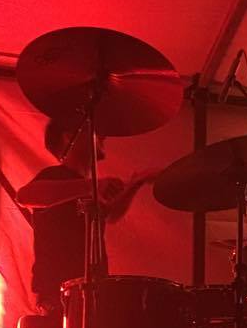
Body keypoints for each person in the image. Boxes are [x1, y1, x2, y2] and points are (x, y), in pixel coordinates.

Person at [16, 118, 150, 314]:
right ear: (69, 137)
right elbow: (25, 196)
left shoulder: (82, 186)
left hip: (88, 290)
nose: (102, 136)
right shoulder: (56, 175)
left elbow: (110, 214)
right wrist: (90, 186)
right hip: (60, 294)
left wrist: (137, 182)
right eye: (92, 130)